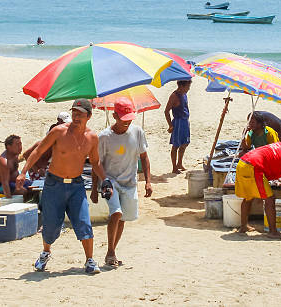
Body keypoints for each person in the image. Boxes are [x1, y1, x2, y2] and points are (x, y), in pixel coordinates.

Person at [17, 98, 107, 274]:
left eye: (80, 114)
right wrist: (23, 172)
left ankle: (89, 260)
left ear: (89, 116)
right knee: (50, 225)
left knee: (84, 222)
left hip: (76, 185)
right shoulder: (59, 132)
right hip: (54, 184)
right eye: (74, 112)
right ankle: (45, 253)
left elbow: (95, 162)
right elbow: (38, 151)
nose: (76, 116)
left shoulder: (92, 137)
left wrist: (106, 180)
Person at [90, 97, 152, 267]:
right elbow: (97, 163)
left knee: (123, 217)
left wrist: (148, 181)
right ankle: (110, 251)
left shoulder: (138, 132)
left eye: (129, 119)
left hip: (130, 182)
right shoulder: (103, 137)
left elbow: (144, 158)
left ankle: (112, 251)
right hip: (110, 182)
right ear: (114, 115)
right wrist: (96, 188)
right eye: (123, 119)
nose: (127, 123)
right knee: (116, 213)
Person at [22, 111, 72, 181]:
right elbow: (26, 154)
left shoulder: (60, 142)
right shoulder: (42, 143)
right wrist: (36, 170)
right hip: (37, 173)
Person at [164, 80, 191, 173]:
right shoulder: (174, 96)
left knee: (185, 143)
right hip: (178, 122)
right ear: (182, 86)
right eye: (188, 86)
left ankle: (179, 163)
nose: (189, 88)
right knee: (176, 145)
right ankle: (174, 167)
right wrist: (170, 125)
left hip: (185, 121)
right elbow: (166, 111)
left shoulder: (184, 94)